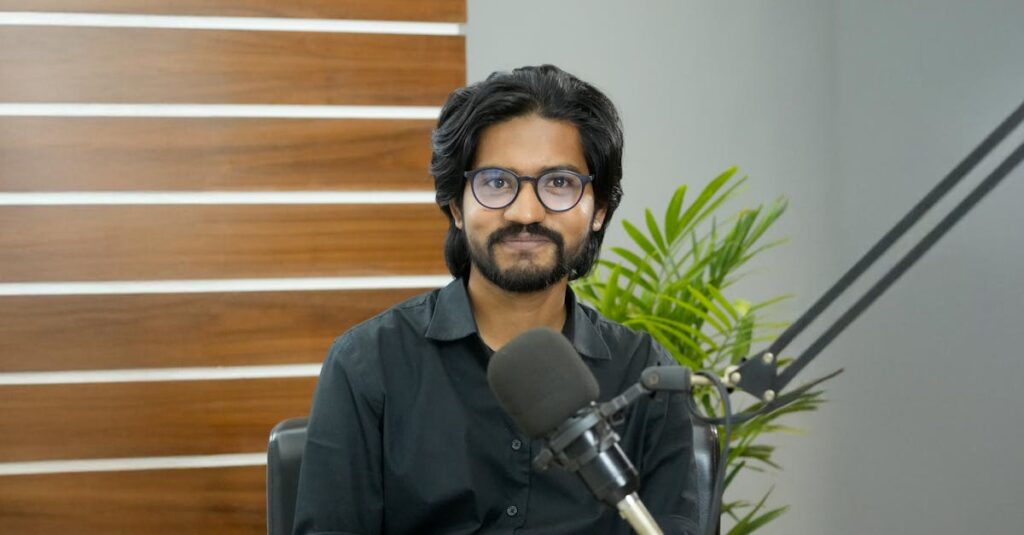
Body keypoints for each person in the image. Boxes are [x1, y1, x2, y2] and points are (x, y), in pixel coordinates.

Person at [293, 65, 700, 535]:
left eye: (559, 183)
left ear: (599, 211)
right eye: (496, 182)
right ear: (455, 207)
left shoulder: (644, 376)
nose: (525, 212)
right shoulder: (369, 365)